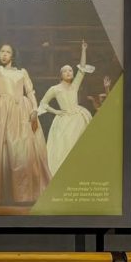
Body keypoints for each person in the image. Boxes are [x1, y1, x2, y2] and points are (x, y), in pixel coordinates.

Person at [0, 7, 51, 206]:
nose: (3, 54)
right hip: (2, 111)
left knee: (23, 152)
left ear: (12, 55)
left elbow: (30, 91)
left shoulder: (22, 72)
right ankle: (0, 193)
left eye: (7, 51)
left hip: (23, 111)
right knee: (1, 151)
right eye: (1, 51)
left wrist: (34, 109)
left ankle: (24, 194)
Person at [38, 40, 95, 175]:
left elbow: (82, 69)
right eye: (65, 71)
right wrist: (56, 111)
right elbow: (43, 103)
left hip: (78, 118)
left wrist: (83, 50)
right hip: (64, 119)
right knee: (64, 146)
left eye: (70, 70)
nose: (69, 72)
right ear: (61, 74)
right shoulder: (55, 89)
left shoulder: (75, 85)